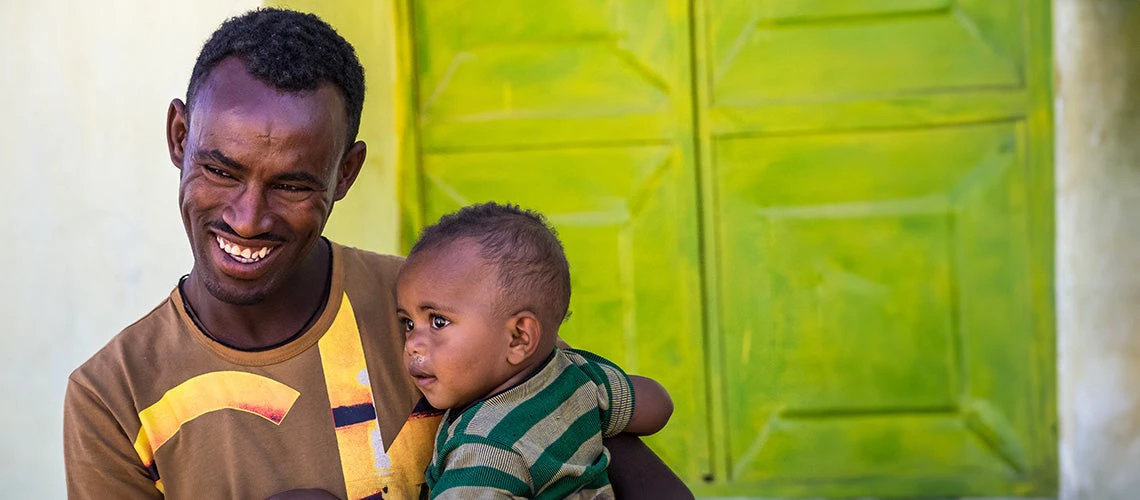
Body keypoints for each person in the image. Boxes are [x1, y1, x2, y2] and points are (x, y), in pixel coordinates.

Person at [63, 7, 691, 500]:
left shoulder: (442, 315)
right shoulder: (113, 397)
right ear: (179, 137)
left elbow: (610, 456)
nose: (246, 218)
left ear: (346, 174)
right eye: (220, 170)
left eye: (291, 183)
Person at [397, 202, 673, 498]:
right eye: (408, 323)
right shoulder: (577, 377)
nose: (413, 343)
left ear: (518, 337)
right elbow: (657, 406)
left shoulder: (484, 451)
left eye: (438, 321)